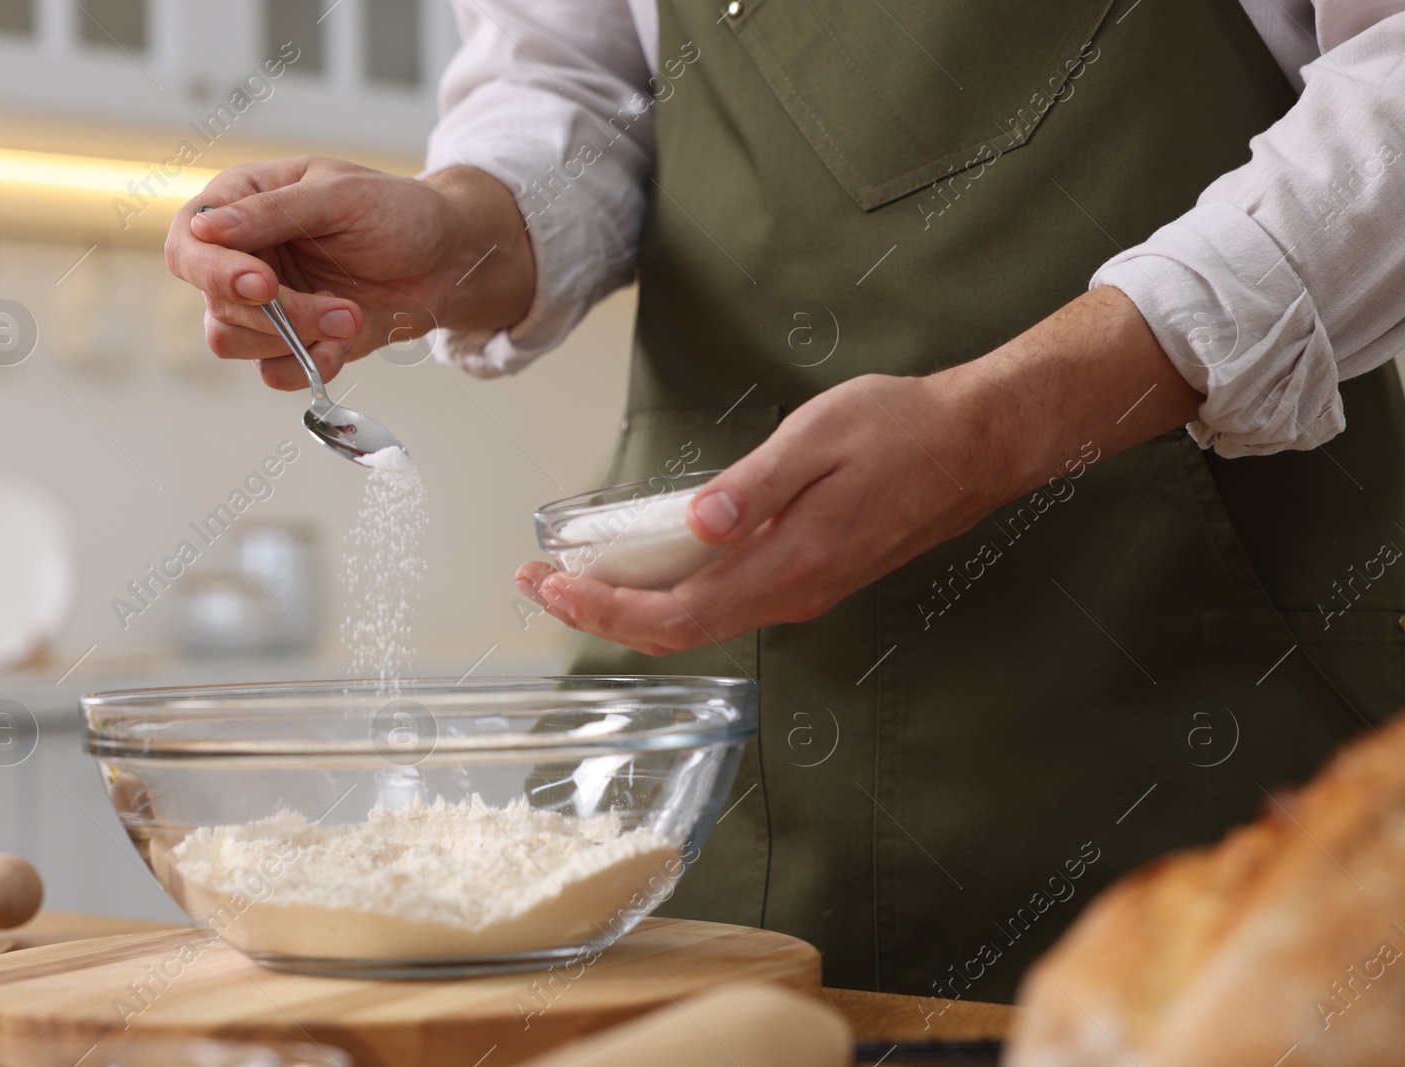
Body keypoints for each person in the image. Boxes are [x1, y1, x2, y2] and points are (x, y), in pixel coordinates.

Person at [167, 0, 1405, 1001]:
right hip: (728, 740)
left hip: (1195, 686)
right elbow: (574, 87)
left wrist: (1001, 418)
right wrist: (459, 235)